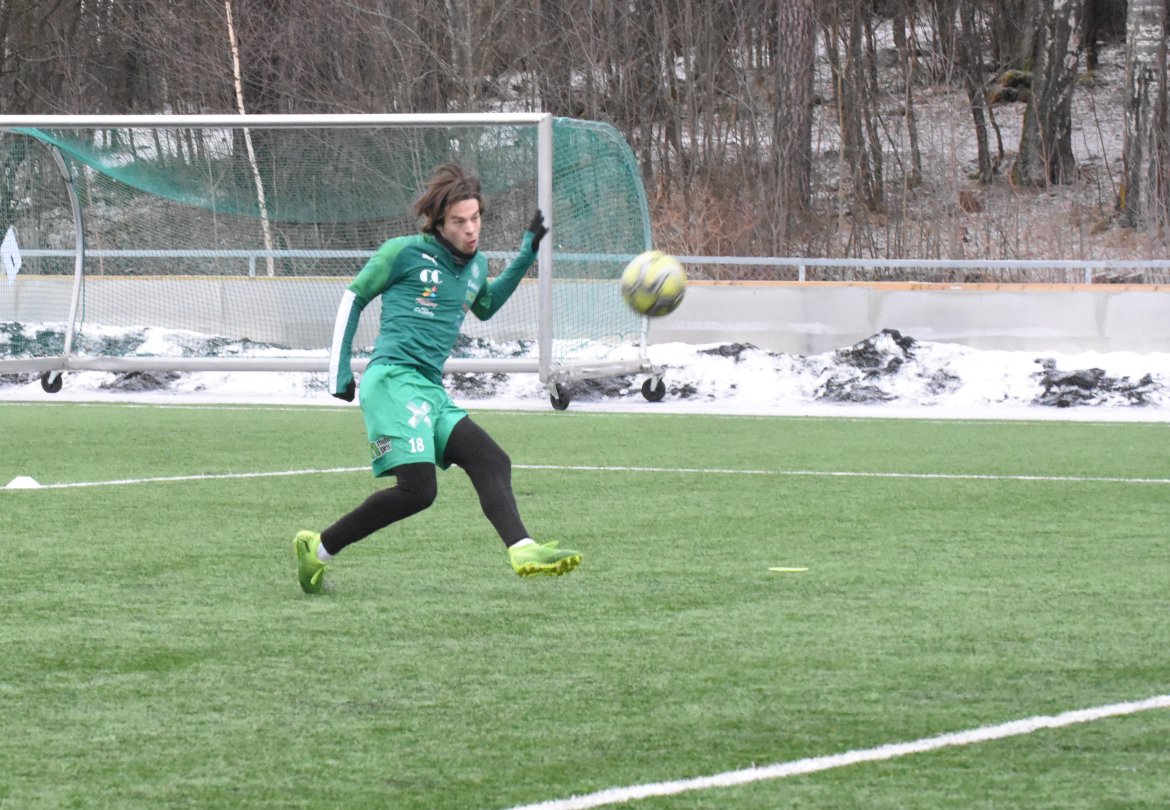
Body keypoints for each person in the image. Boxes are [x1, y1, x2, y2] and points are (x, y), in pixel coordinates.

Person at [293, 163, 581, 594]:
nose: (471, 229)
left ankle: (522, 548)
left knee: (492, 460)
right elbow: (353, 297)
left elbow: (485, 305)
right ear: (438, 223)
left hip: (429, 388)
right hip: (391, 380)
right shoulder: (402, 253)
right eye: (459, 222)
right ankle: (318, 550)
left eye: (475, 218)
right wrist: (338, 370)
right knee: (418, 490)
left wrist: (526, 255)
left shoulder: (477, 265)